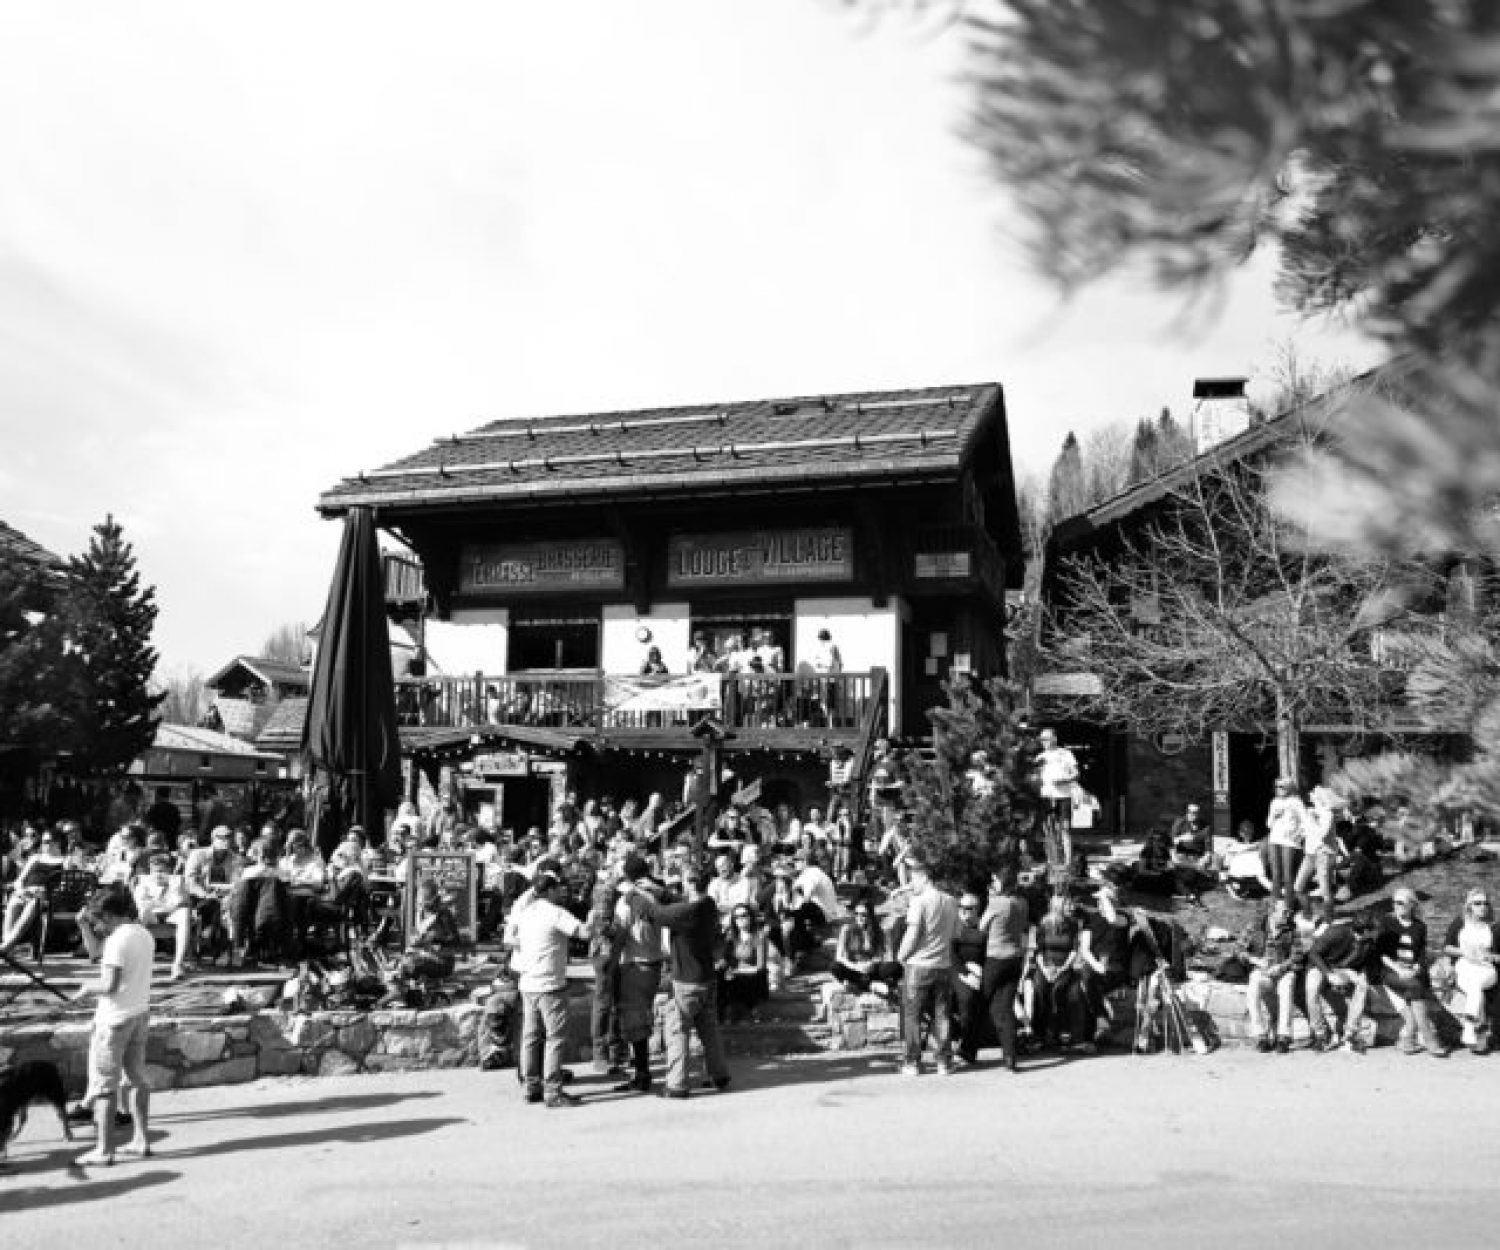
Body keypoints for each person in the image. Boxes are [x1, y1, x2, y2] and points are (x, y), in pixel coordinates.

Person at [620, 861, 732, 1100]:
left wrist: (633, 895)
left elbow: (654, 913)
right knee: (709, 1030)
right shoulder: (708, 905)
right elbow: (678, 901)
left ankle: (677, 1085)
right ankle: (719, 1075)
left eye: (684, 879)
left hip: (686, 982)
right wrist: (658, 890)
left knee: (677, 1031)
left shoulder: (686, 913)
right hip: (707, 978)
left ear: (690, 883)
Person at [71, 886, 155, 1165]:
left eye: (97, 921)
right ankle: (140, 1140)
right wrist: (84, 927)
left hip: (114, 1020)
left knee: (104, 1086)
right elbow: (98, 954)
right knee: (137, 1079)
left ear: (108, 915)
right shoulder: (143, 934)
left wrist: (86, 989)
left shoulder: (117, 940)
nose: (97, 926)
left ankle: (104, 1150)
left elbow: (110, 985)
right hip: (139, 1014)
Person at [509, 869, 593, 1107]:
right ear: (550, 890)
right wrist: (594, 918)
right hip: (550, 984)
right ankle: (553, 1091)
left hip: (528, 982)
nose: (562, 892)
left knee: (531, 1037)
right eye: (558, 888)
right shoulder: (556, 913)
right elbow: (584, 933)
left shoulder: (526, 912)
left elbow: (512, 938)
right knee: (555, 1038)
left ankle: (531, 1086)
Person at [896, 857, 960, 1076]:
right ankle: (944, 1061)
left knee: (912, 1015)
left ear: (923, 877)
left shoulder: (919, 902)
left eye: (913, 879)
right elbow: (956, 933)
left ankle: (912, 1062)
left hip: (918, 965)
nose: (911, 885)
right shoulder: (951, 901)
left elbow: (912, 934)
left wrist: (901, 955)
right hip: (943, 964)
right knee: (942, 1014)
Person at [609, 854, 666, 1095]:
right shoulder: (656, 894)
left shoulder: (629, 899)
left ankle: (642, 1075)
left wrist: (612, 962)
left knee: (634, 1021)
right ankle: (642, 1071)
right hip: (654, 961)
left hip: (635, 963)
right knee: (641, 1018)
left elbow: (622, 933)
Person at [1377, 888, 1448, 1056]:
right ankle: (1429, 1039)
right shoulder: (1387, 922)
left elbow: (1422, 955)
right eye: (1394, 902)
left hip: (1411, 973)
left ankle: (1407, 1040)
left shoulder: (1420, 926)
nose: (1396, 906)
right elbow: (1381, 953)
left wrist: (1415, 970)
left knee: (1415, 986)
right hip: (1390, 971)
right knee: (1415, 987)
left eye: (1401, 902)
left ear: (1412, 905)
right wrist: (1399, 969)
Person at [1029, 892, 1092, 1052]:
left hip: (1065, 965)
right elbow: (1039, 950)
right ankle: (1039, 1034)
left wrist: (1062, 968)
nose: (1071, 907)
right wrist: (1045, 968)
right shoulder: (1044, 924)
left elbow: (1074, 950)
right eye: (1067, 904)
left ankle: (1062, 1033)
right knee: (1039, 989)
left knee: (1063, 989)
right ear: (1058, 907)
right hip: (1045, 964)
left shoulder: (1072, 924)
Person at [1305, 911, 1375, 1053]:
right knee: (1312, 988)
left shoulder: (1368, 943)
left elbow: (1363, 964)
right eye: (1373, 929)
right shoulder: (1336, 932)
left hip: (1344, 969)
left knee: (1362, 985)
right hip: (1321, 966)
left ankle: (1350, 1035)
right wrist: (1328, 974)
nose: (1375, 932)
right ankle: (1320, 1034)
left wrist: (1360, 975)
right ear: (1365, 931)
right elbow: (1313, 953)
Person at [1441, 888, 1499, 1053]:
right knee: (1475, 988)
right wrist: (1464, 952)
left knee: (1476, 985)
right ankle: (1477, 1034)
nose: (1482, 906)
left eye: (1485, 903)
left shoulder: (1493, 927)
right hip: (1465, 966)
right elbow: (1447, 948)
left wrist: (1491, 956)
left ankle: (1468, 1030)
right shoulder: (1460, 922)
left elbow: (1498, 956)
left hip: (1486, 970)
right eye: (1477, 903)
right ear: (1469, 906)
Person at [1244, 900, 1302, 1053]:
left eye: (1289, 912)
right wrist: (1255, 960)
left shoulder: (1292, 929)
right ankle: (1260, 1035)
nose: (1288, 915)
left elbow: (1297, 955)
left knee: (1287, 987)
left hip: (1283, 972)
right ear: (1272, 912)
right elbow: (1239, 950)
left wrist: (1281, 967)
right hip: (1263, 972)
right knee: (1253, 987)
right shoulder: (1255, 927)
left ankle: (1284, 1036)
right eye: (1284, 912)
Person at [0, 825, 66, 953]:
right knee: (13, 903)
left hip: (45, 896)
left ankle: (5, 948)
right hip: (25, 893)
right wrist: (21, 890)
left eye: (47, 841)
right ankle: (7, 948)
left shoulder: (64, 861)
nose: (44, 844)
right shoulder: (35, 858)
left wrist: (44, 891)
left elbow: (63, 885)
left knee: (33, 905)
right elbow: (19, 880)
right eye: (43, 841)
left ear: (57, 842)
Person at [132, 852, 194, 982]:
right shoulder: (143, 881)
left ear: (169, 871)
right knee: (142, 912)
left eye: (162, 871)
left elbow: (179, 902)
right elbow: (140, 902)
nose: (158, 874)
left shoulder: (178, 881)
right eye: (155, 871)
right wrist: (161, 902)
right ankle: (139, 963)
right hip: (152, 915)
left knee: (184, 913)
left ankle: (177, 964)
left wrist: (159, 899)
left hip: (171, 915)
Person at [1296, 786, 1344, 920]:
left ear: (1320, 798)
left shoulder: (1328, 814)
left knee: (1325, 891)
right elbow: (1305, 831)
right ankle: (1308, 916)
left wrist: (1311, 819)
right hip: (1310, 854)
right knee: (1299, 887)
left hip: (1324, 854)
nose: (1311, 795)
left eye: (1314, 794)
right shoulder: (1311, 811)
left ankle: (1329, 919)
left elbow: (1322, 835)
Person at [718, 904, 769, 1023]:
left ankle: (745, 1013)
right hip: (735, 976)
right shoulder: (731, 937)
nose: (740, 919)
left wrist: (738, 971)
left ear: (751, 917)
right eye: (736, 917)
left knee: (740, 981)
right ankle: (722, 1016)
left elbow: (761, 966)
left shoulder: (759, 936)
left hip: (754, 977)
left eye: (744, 915)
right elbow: (726, 959)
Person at [1265, 777, 1307, 908]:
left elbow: (1305, 822)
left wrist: (1298, 835)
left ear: (1289, 787)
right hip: (1274, 839)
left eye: (1281, 787)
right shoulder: (1274, 802)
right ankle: (1275, 904)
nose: (1278, 789)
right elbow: (1268, 824)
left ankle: (1289, 905)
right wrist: (1274, 816)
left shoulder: (1296, 802)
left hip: (1289, 841)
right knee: (1275, 873)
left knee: (1288, 874)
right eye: (1277, 786)